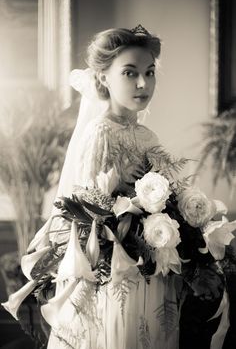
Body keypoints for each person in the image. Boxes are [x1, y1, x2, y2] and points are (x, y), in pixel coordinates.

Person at [3, 25, 231, 349]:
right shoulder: (99, 132)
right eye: (130, 73)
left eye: (149, 72)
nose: (143, 83)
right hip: (115, 276)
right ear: (104, 78)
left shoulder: (148, 136)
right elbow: (90, 215)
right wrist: (135, 229)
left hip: (154, 271)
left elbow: (163, 196)